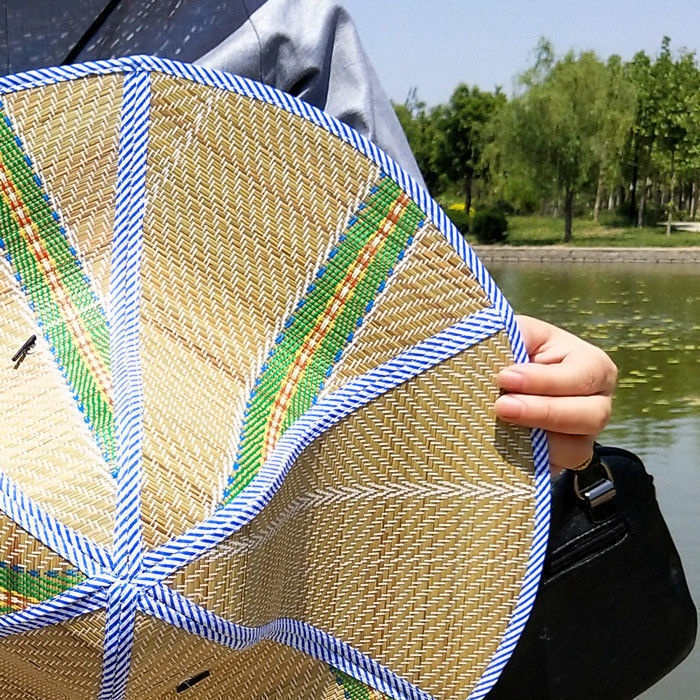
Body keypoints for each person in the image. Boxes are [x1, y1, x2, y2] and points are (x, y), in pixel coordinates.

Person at [2, 0, 616, 473]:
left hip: (236, 515)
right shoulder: (273, 26)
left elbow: (416, 325)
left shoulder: (278, 30)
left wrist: (532, 395)